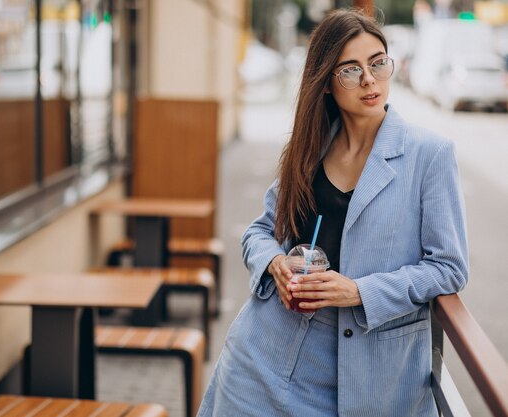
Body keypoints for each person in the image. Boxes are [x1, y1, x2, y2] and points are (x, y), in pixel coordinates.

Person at [197, 8, 468, 417]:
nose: (369, 79)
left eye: (378, 62)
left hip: (370, 374)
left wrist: (359, 291)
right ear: (325, 82)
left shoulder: (429, 155)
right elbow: (258, 231)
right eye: (350, 70)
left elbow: (448, 267)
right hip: (266, 357)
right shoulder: (309, 150)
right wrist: (275, 263)